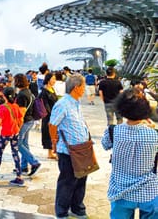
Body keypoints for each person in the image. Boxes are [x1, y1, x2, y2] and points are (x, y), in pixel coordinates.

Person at [101, 88, 158, 218]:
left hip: (120, 191)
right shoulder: (154, 135)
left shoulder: (113, 131)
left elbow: (105, 145)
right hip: (149, 191)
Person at [49, 73, 90, 218]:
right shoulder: (63, 104)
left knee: (81, 179)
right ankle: (62, 211)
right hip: (68, 151)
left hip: (82, 149)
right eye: (83, 86)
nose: (85, 89)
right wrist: (54, 142)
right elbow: (52, 124)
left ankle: (77, 207)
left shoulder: (76, 102)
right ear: (76, 87)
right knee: (67, 181)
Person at [0, 87, 25, 186]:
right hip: (15, 133)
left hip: (5, 133)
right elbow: (21, 119)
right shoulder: (16, 106)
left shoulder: (3, 107)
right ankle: (19, 176)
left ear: (4, 96)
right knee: (15, 153)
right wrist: (18, 128)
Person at [14, 73, 41, 176]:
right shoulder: (29, 92)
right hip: (30, 120)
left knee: (18, 144)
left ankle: (34, 162)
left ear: (18, 82)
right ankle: (24, 166)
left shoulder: (21, 95)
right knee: (24, 143)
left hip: (24, 122)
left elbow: (21, 113)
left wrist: (17, 126)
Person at [39, 73, 59, 160]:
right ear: (48, 79)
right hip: (49, 117)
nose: (54, 81)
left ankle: (51, 153)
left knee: (54, 134)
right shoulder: (44, 91)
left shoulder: (52, 89)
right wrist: (52, 116)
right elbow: (46, 106)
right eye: (53, 79)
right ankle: (53, 153)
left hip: (54, 114)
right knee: (49, 134)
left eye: (55, 79)